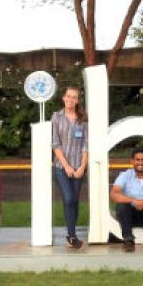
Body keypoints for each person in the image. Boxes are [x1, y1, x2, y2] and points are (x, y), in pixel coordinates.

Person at [51, 86, 88, 249]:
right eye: (68, 96)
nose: (71, 99)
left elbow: (86, 144)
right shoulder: (56, 117)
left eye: (74, 97)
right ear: (63, 98)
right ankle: (71, 235)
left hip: (78, 166)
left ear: (78, 100)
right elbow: (55, 143)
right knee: (68, 198)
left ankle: (71, 235)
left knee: (75, 200)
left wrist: (82, 166)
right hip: (61, 167)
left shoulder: (83, 118)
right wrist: (66, 166)